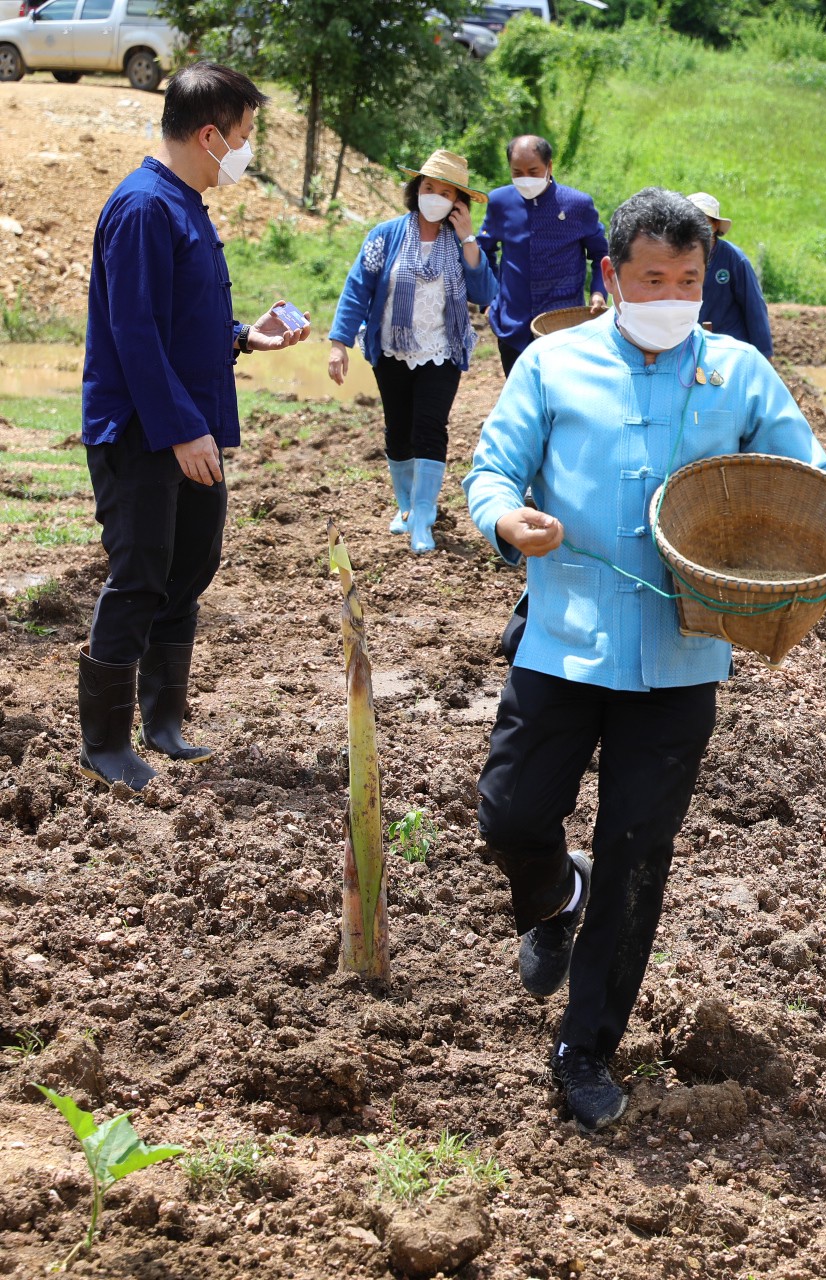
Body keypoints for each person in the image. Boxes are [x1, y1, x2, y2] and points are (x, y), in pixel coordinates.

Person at [464, 188, 826, 1132]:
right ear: (611, 277)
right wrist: (504, 518)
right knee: (509, 812)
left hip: (682, 659)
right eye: (652, 278)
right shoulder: (551, 364)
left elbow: (806, 478)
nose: (671, 294)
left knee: (637, 856)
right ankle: (549, 889)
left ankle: (584, 1050)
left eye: (689, 281)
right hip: (564, 640)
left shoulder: (735, 374)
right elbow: (491, 469)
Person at [77, 61, 312, 791]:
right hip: (144, 434)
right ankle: (105, 745)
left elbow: (184, 319)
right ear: (210, 134)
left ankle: (164, 721)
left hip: (189, 428)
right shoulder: (144, 207)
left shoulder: (185, 203)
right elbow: (136, 332)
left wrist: (245, 336)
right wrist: (182, 428)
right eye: (243, 136)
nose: (245, 149)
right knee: (140, 574)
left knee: (187, 570)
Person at [326, 149, 497, 555]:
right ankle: (405, 509)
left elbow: (485, 292)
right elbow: (357, 289)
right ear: (416, 189)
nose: (434, 196)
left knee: (430, 429)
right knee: (398, 430)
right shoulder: (384, 236)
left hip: (441, 349)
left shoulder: (460, 244)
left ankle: (424, 516)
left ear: (459, 202)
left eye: (445, 191)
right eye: (428, 187)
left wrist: (469, 237)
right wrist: (339, 343)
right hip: (391, 349)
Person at [477, 135, 609, 376]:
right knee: (522, 401)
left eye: (533, 170)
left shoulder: (577, 205)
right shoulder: (499, 202)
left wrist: (599, 291)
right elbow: (484, 251)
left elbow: (601, 254)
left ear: (549, 166)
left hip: (564, 327)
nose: (525, 178)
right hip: (512, 326)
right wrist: (488, 300)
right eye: (517, 172)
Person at [686, 191, 772, 358]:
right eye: (690, 222)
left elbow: (754, 307)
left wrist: (764, 354)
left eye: (702, 221)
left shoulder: (734, 259)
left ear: (715, 225)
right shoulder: (677, 260)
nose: (695, 228)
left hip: (730, 350)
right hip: (691, 348)